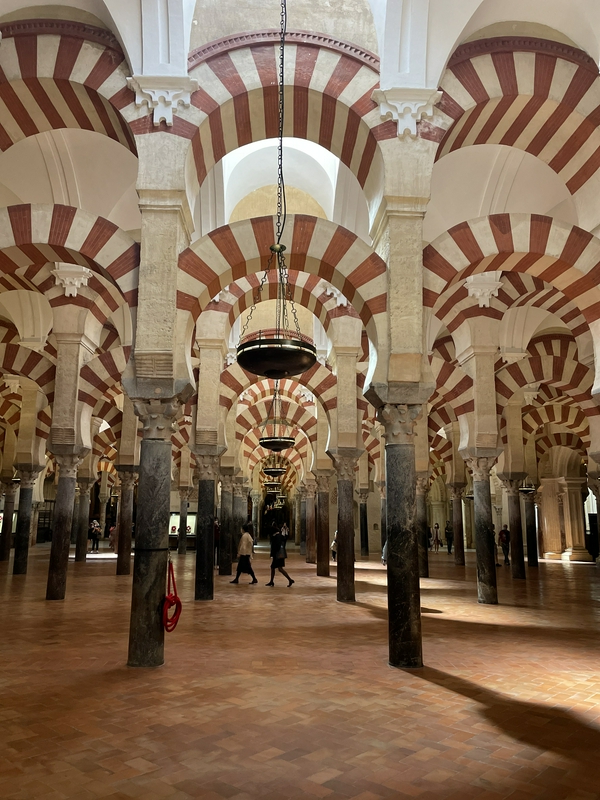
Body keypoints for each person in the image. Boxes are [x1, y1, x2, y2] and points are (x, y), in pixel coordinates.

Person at [266, 522, 294, 587]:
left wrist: (274, 553)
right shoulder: (279, 536)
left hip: (278, 555)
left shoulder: (277, 537)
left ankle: (289, 580)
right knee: (274, 568)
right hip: (279, 555)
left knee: (279, 568)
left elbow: (277, 546)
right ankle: (271, 581)